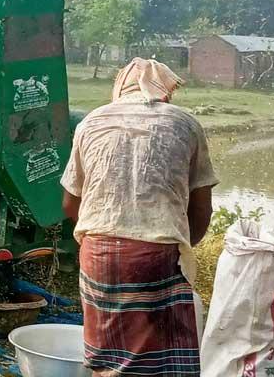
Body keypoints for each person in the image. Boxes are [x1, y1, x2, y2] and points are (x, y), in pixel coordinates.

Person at [62, 58, 217, 377]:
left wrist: (103, 236)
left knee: (108, 358)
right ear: (164, 91)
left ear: (120, 87)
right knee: (161, 360)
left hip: (98, 252)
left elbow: (69, 204)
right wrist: (182, 247)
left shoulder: (91, 121)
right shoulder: (185, 123)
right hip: (156, 253)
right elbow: (202, 208)